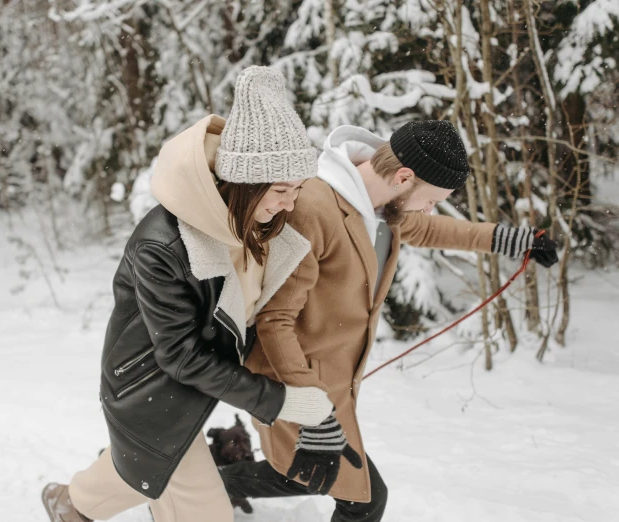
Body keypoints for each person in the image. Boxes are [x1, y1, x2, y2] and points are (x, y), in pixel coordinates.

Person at [219, 120, 559, 522]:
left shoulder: (381, 206)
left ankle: (212, 481)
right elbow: (275, 322)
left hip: (331, 378)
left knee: (307, 474)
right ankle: (205, 483)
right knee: (363, 500)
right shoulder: (312, 208)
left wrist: (509, 239)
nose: (430, 207)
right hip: (292, 378)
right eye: (433, 198)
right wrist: (312, 410)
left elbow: (430, 228)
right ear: (403, 176)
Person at [41, 66, 336, 522]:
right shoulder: (163, 244)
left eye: (297, 189)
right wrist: (279, 400)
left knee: (140, 470)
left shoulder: (259, 225)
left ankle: (70, 503)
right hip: (151, 391)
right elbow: (179, 356)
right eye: (280, 190)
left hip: (192, 386)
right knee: (200, 507)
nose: (290, 203)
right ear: (244, 182)